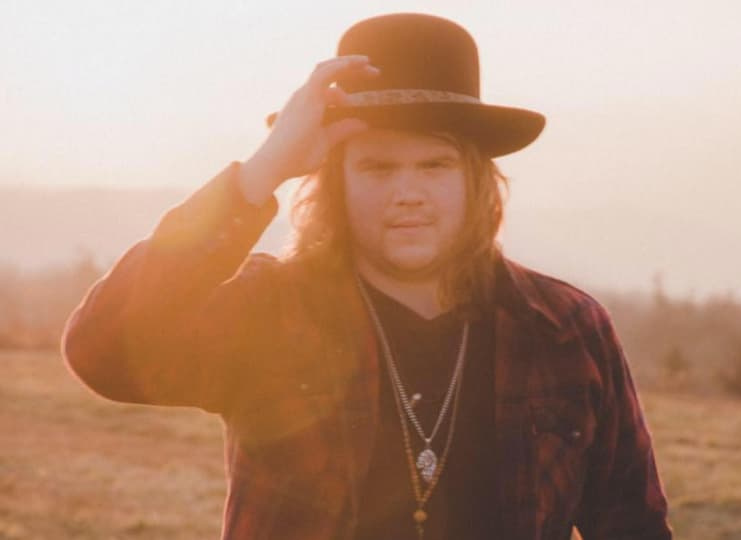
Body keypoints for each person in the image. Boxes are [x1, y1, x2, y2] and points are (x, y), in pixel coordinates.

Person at [62, 13, 671, 540]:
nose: (408, 192)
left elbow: (633, 524)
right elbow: (104, 350)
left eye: (434, 165)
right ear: (337, 184)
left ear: (475, 180)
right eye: (378, 167)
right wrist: (262, 171)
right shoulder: (269, 310)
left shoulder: (564, 328)